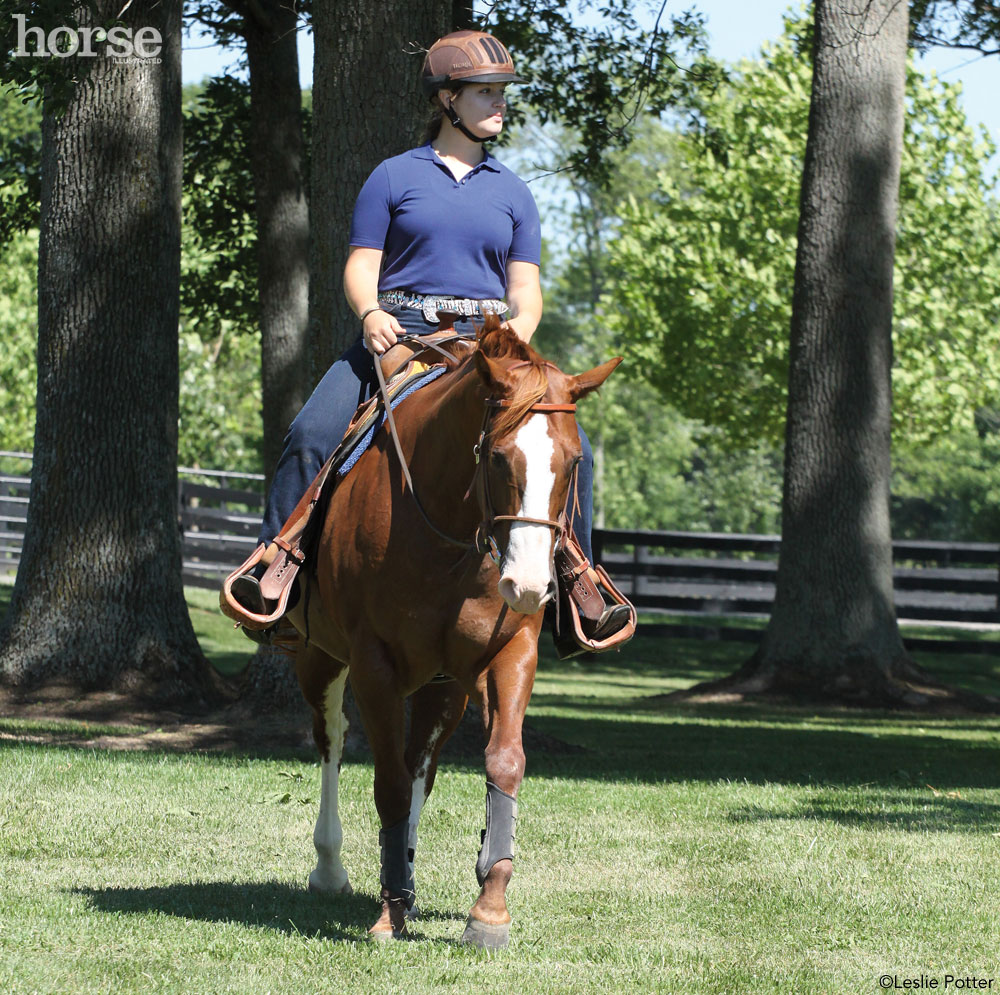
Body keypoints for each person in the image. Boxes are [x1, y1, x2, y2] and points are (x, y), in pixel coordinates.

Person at [230, 29, 631, 653]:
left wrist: (514, 336)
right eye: (484, 93)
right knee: (310, 433)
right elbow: (362, 265)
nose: (499, 103)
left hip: (485, 347)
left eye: (501, 93)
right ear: (447, 99)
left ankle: (578, 585)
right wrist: (369, 314)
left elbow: (526, 288)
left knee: (562, 447)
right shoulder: (393, 177)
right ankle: (274, 570)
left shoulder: (514, 192)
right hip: (399, 334)